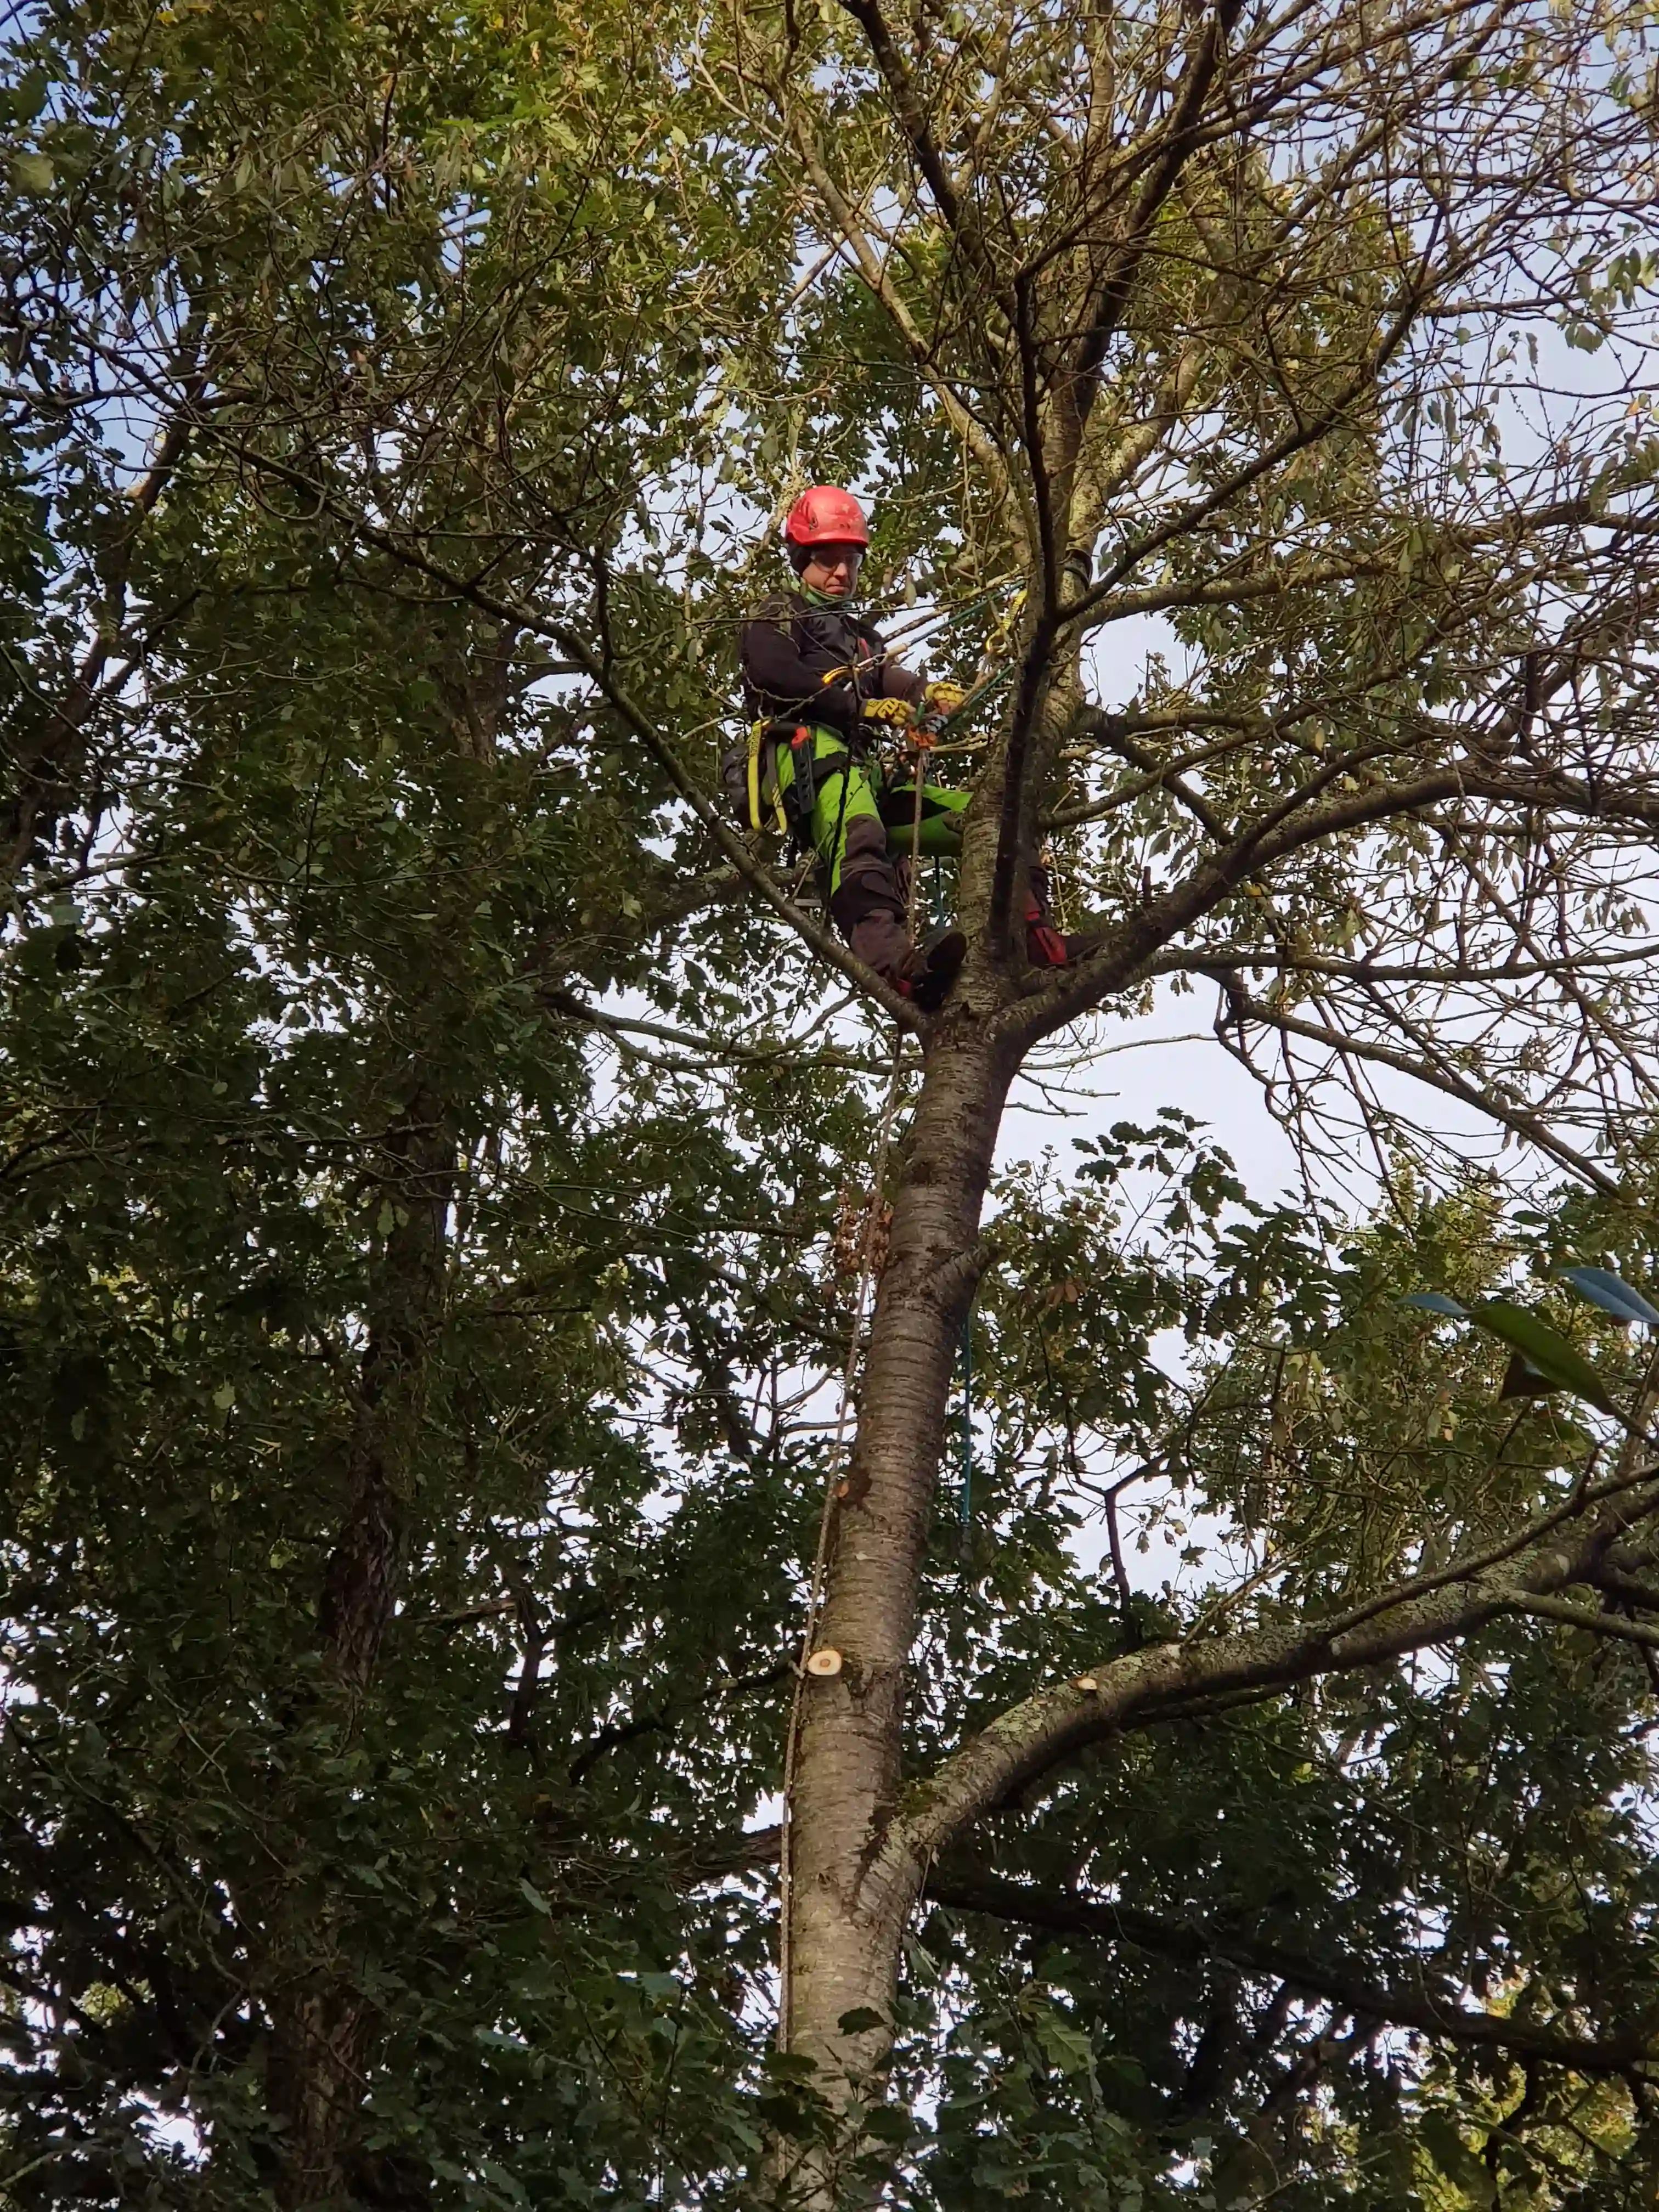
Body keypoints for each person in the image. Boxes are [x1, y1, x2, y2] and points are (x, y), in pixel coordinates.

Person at [739, 486, 1074, 1006]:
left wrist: (925, 695)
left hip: (869, 774)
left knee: (995, 817)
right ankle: (895, 967)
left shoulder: (862, 637)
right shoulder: (780, 613)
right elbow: (773, 672)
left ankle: (1036, 939)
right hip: (811, 759)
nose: (842, 574)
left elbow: (886, 678)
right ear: (803, 558)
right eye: (828, 560)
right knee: (862, 837)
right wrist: (859, 709)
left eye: (850, 561)